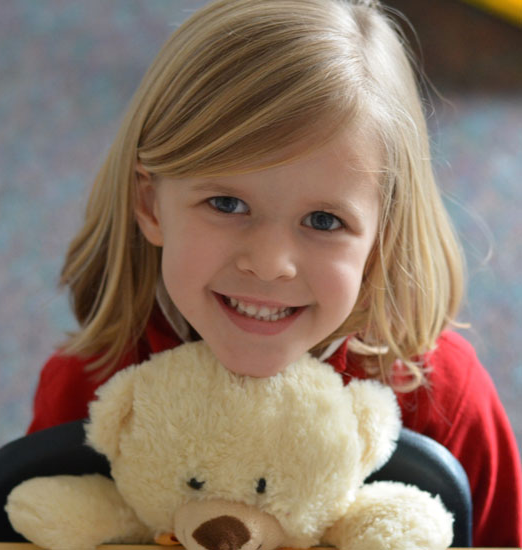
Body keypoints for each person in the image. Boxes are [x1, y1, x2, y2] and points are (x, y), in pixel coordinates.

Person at [26, 0, 521, 545]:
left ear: (384, 236)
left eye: (324, 220)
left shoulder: (443, 398)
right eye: (227, 204)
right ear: (151, 205)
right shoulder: (93, 384)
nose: (268, 263)